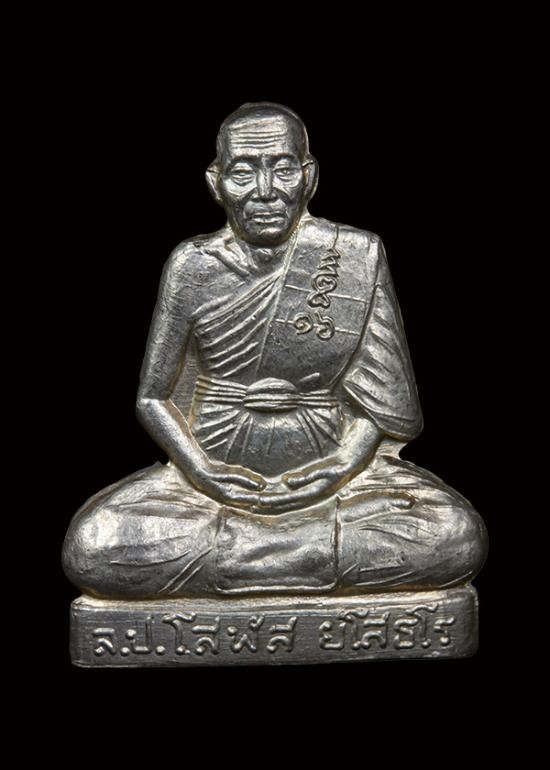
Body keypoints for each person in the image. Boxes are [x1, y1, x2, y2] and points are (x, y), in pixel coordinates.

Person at [63, 102, 487, 599]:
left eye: (283, 169)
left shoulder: (351, 255)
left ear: (309, 177)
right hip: (209, 487)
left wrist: (342, 467)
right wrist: (202, 472)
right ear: (216, 183)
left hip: (335, 483)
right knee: (94, 544)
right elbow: (154, 397)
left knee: (453, 535)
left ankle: (239, 555)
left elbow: (383, 401)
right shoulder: (192, 265)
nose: (265, 191)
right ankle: (309, 553)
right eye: (243, 173)